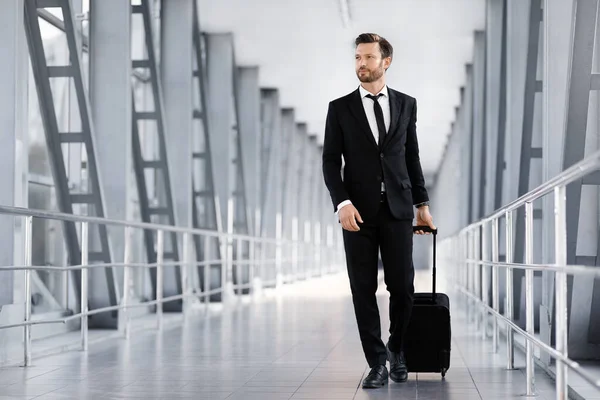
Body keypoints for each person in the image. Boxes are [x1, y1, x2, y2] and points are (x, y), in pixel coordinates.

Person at [321, 33, 436, 389]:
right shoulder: (339, 108)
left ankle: (397, 349)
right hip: (357, 212)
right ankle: (376, 362)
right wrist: (341, 202)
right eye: (357, 57)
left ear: (386, 61)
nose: (361, 64)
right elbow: (329, 162)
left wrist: (422, 205)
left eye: (368, 58)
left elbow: (411, 157)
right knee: (362, 287)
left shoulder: (406, 104)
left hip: (399, 209)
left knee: (402, 286)